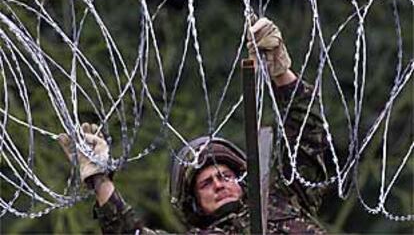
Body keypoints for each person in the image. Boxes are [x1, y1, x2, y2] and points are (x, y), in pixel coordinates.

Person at [58, 17, 332, 234]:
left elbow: (305, 136)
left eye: (225, 176)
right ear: (194, 202)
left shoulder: (286, 201)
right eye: (206, 183)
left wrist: (281, 72)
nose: (219, 185)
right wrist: (99, 179)